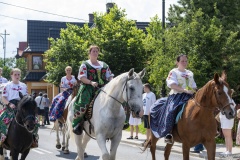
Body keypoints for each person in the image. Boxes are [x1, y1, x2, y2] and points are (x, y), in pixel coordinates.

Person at [151, 54, 197, 144]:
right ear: (177, 62)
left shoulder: (190, 73)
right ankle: (169, 134)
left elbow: (194, 86)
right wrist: (184, 90)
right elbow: (172, 85)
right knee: (171, 111)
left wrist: (194, 91)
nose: (184, 63)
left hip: (190, 96)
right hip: (177, 96)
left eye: (186, 61)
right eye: (182, 61)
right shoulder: (174, 72)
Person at [72, 45, 114, 135]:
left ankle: (120, 121)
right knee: (83, 102)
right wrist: (91, 82)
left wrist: (112, 82)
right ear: (89, 53)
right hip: (88, 87)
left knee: (115, 98)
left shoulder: (104, 65)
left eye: (96, 51)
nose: (95, 53)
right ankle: (78, 123)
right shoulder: (85, 64)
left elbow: (110, 76)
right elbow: (82, 77)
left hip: (103, 87)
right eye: (93, 51)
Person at [0, 68, 39, 147]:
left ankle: (34, 139)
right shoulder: (7, 86)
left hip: (22, 106)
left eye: (18, 74)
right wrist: (9, 104)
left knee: (35, 121)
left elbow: (27, 97)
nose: (17, 76)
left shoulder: (23, 85)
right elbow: (3, 98)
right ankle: (2, 138)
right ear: (11, 75)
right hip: (11, 106)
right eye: (15, 74)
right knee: (1, 119)